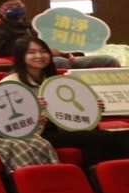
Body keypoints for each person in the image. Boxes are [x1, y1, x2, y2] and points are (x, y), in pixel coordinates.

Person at [8, 36, 129, 166]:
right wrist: (32, 113)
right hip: (37, 134)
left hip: (63, 127)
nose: (39, 56)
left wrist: (92, 108)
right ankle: (96, 174)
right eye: (31, 52)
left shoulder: (54, 79)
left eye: (43, 51)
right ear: (21, 56)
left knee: (123, 136)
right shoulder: (12, 84)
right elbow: (7, 121)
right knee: (96, 138)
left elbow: (70, 106)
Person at [0, 0, 120, 70]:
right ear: (0, 10)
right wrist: (45, 52)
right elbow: (5, 50)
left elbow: (52, 40)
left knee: (109, 60)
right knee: (60, 62)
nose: (15, 8)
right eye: (10, 6)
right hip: (34, 61)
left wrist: (65, 51)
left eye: (18, 5)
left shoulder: (33, 25)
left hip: (58, 57)